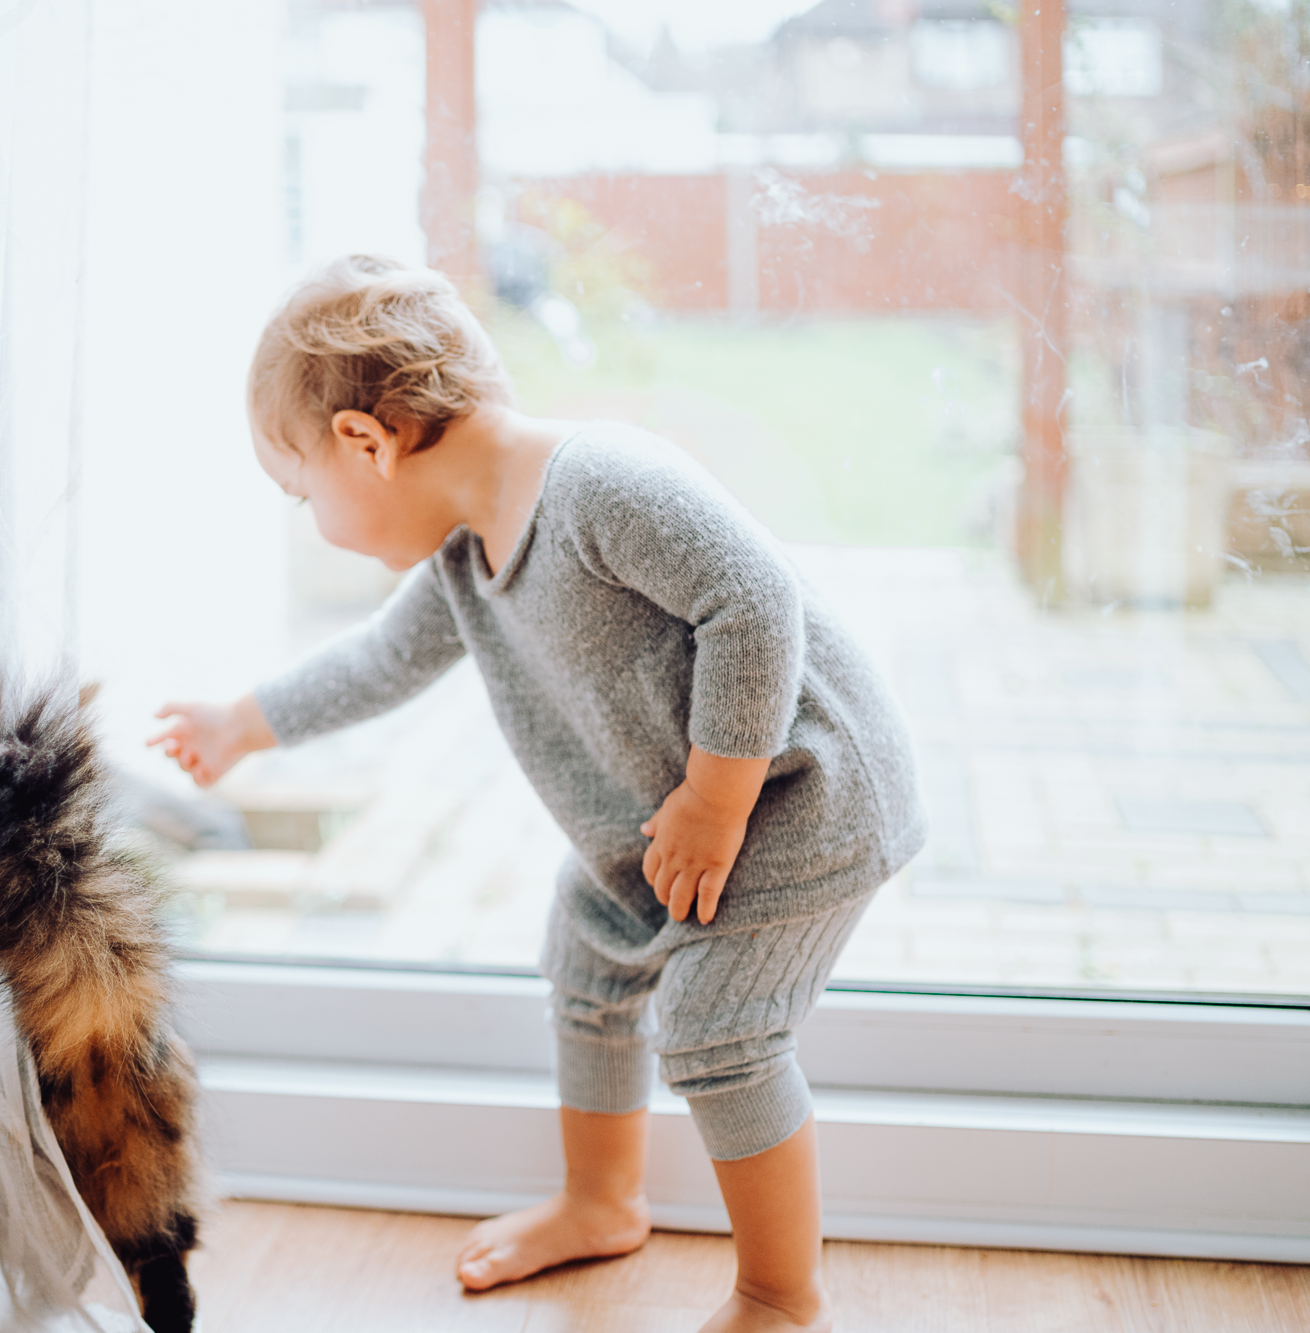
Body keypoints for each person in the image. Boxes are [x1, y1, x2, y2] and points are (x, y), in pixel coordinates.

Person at [147, 255, 925, 1332]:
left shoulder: (596, 484)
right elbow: (380, 663)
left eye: (299, 494)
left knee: (714, 1025)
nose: (308, 519)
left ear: (362, 445)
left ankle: (779, 1297)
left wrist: (713, 797)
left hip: (801, 796)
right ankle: (600, 1202)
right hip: (681, 820)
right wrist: (244, 721)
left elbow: (751, 602)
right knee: (590, 946)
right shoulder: (466, 554)